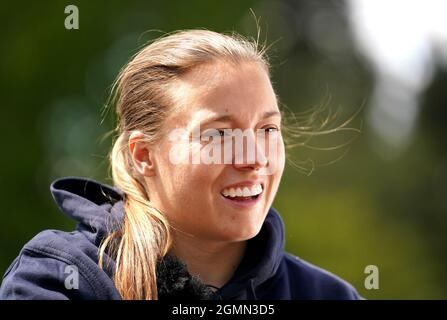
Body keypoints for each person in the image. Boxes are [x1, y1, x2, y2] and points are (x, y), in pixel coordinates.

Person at [0, 29, 361, 300]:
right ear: (144, 155)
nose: (254, 158)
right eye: (219, 135)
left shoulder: (326, 294)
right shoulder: (57, 279)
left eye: (267, 129)